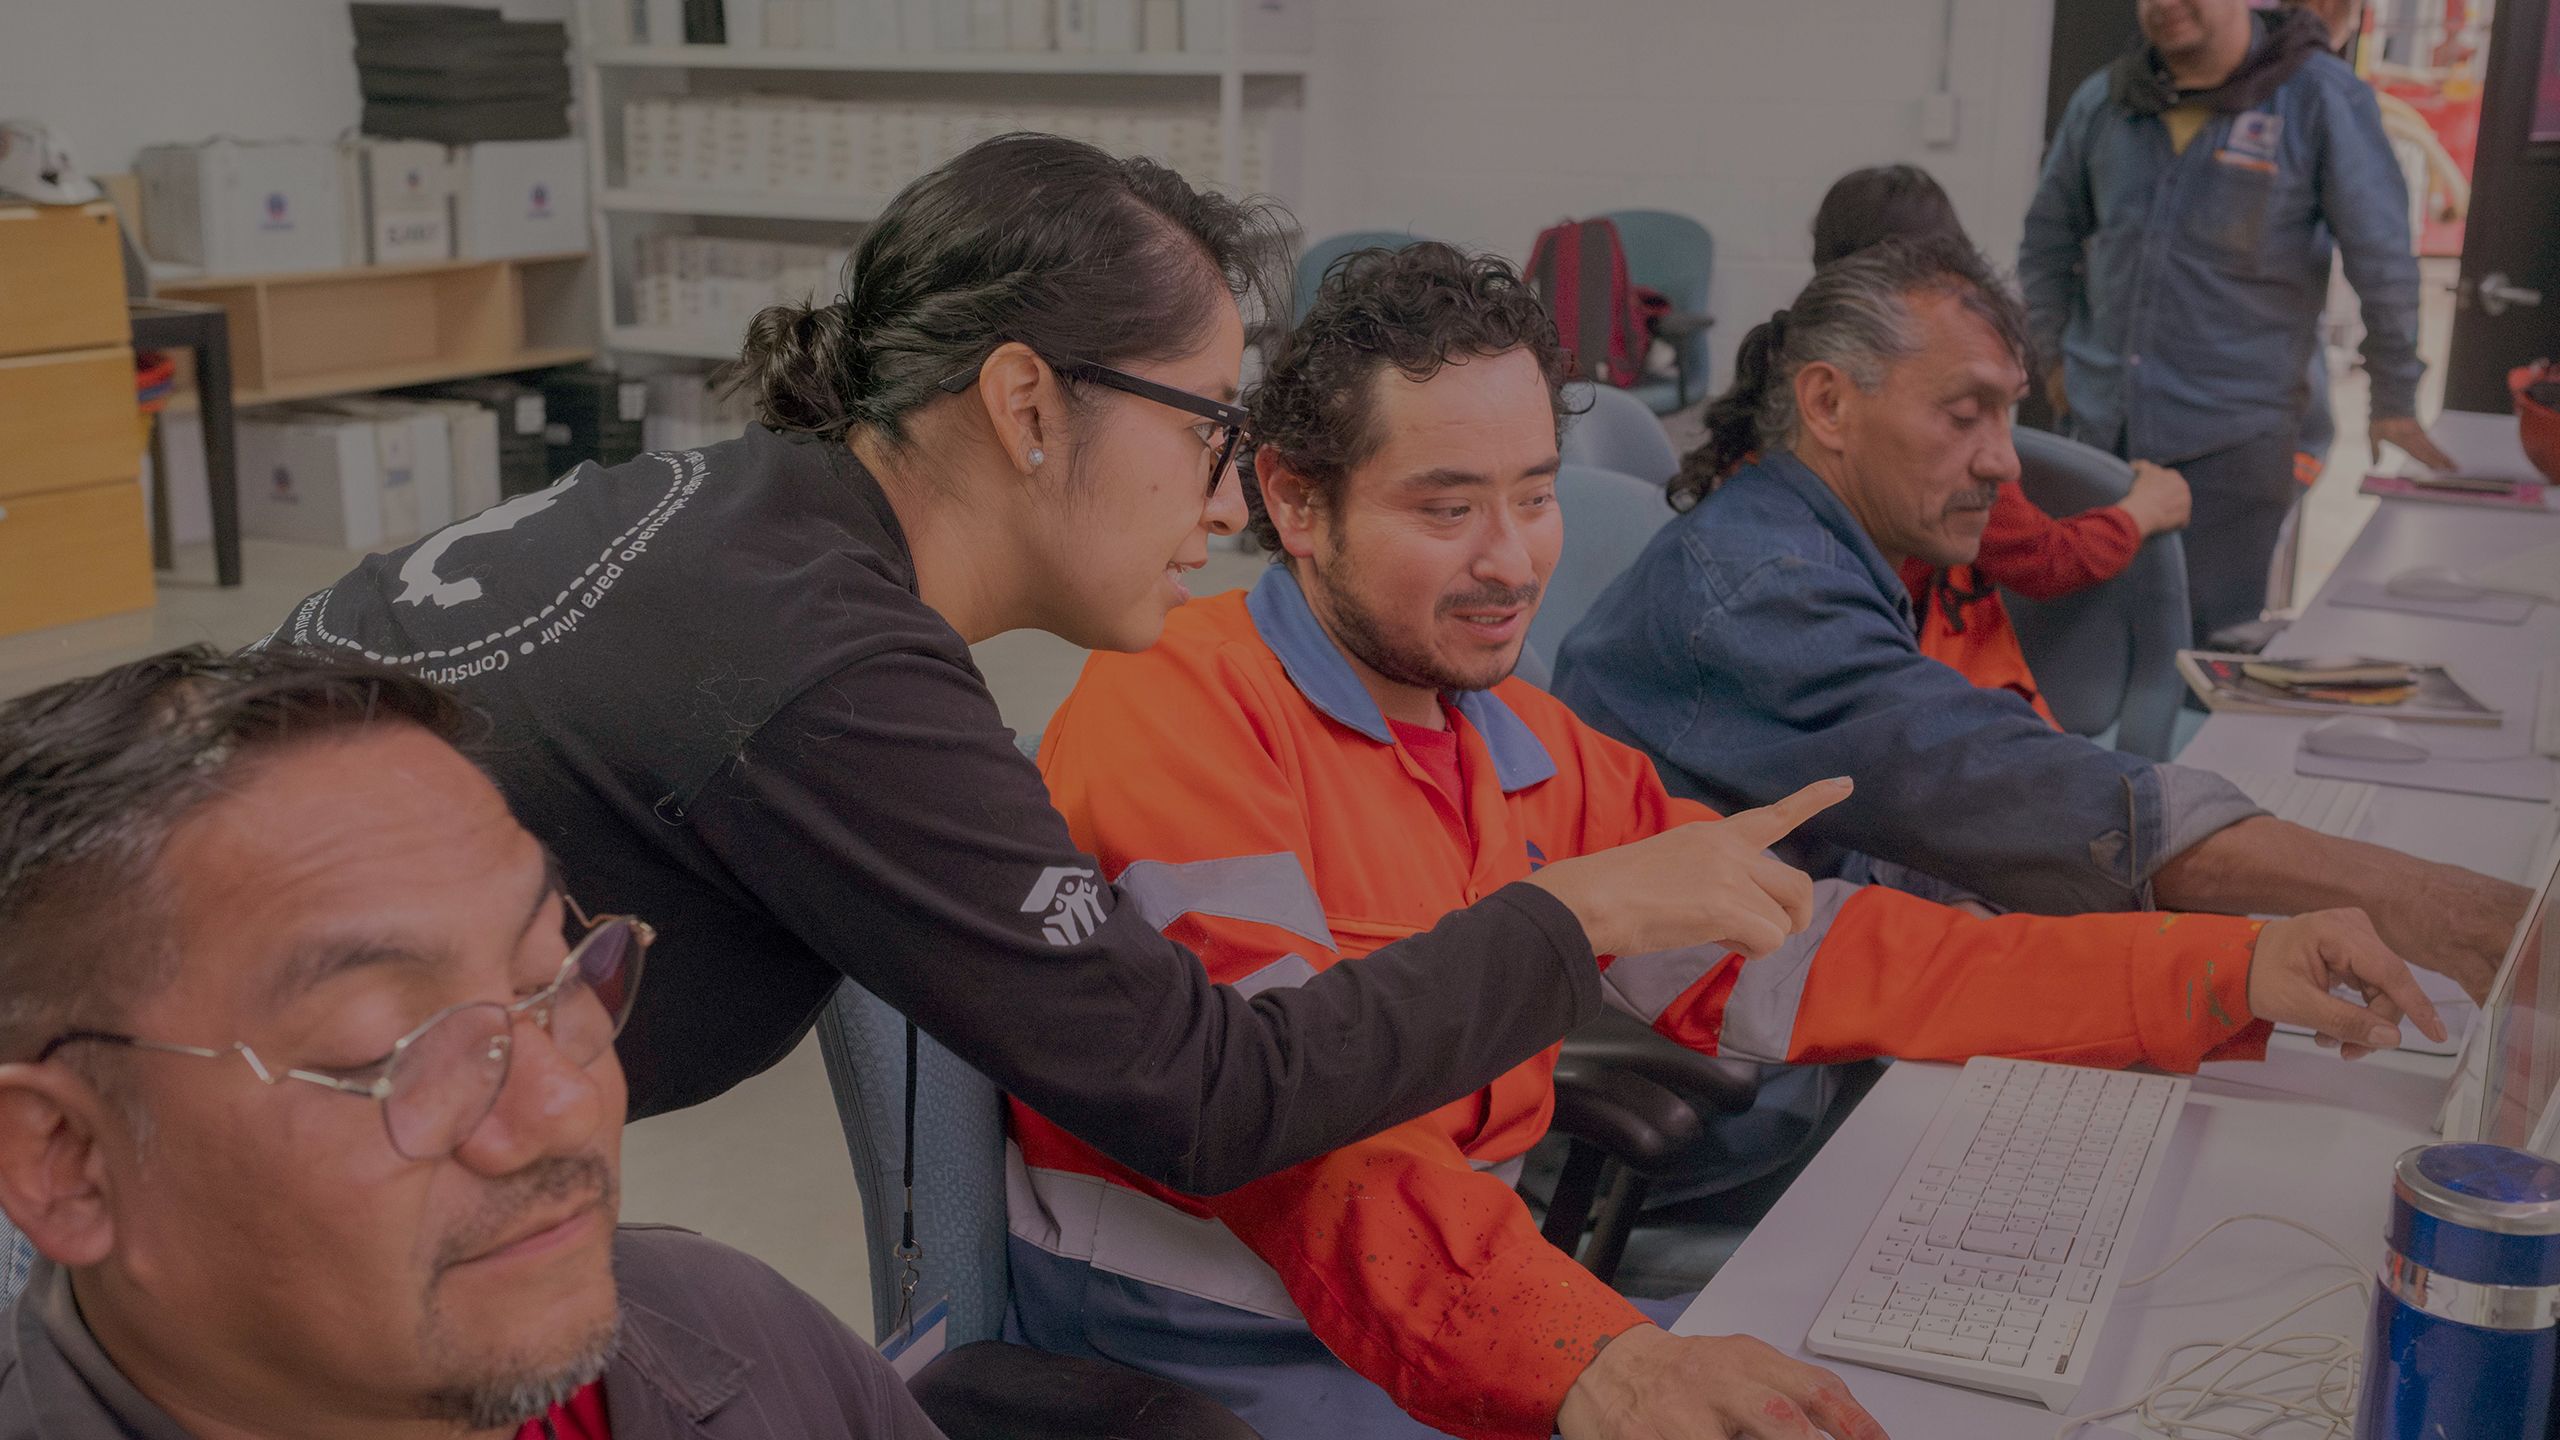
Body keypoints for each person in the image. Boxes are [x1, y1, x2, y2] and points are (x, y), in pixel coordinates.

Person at [1003, 242, 2440, 1440]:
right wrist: (1603, 1360)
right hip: (1214, 1357)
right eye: (1447, 508)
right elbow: (1298, 1151)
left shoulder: (1509, 739)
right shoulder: (1174, 714)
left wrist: (2217, 972)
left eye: (1533, 494)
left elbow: (1817, 952)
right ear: (1297, 505)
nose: (1512, 562)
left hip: (1438, 1311)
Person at [260, 134, 1829, 1198]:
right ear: (1025, 405)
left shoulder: (749, 515)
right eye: (1209, 426)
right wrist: (1574, 917)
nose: (1230, 503)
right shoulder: (832, 675)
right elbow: (1209, 1093)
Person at [1555, 237, 2529, 1005]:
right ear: (1827, 404)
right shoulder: (1760, 586)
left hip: (1803, 978)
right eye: (1963, 415)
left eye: (2005, 416)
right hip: (1729, 1078)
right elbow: (1985, 775)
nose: (2004, 463)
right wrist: (2444, 911)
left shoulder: (1804, 542)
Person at [0, 647, 942, 1439]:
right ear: (66, 1162)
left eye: (550, 978)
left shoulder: (746, 1341)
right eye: (393, 1045)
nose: (568, 1105)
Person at [2020, 0, 2456, 645]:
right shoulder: (2107, 101)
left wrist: (2393, 394)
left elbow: (2383, 261)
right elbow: (2047, 244)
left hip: (2234, 445)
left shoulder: (2317, 98)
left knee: (2207, 659)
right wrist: (2052, 358)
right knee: (2086, 651)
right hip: (2101, 433)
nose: (2161, 6)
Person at [1812, 164, 2190, 715]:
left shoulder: (1786, 386)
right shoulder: (1924, 455)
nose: (2003, 462)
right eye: (1964, 414)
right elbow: (2043, 560)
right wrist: (2138, 514)